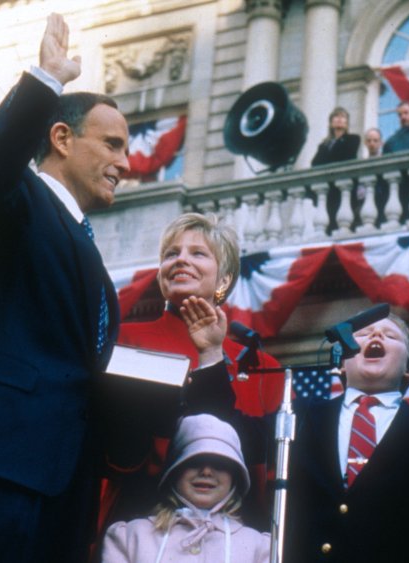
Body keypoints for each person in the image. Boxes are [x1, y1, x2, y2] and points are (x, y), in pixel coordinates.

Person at [0, 13, 128, 562]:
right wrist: (45, 81)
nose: (124, 163)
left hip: (65, 489)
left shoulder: (90, 255)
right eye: (110, 144)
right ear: (60, 137)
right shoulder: (15, 202)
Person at [181, 306, 409, 562]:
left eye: (390, 335)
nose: (376, 336)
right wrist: (211, 352)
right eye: (362, 335)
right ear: (340, 364)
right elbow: (228, 433)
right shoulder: (302, 415)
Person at [100, 212, 283, 531]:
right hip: (139, 520)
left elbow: (268, 472)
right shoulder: (123, 340)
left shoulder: (263, 367)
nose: (181, 260)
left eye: (197, 253)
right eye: (172, 254)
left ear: (224, 280)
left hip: (235, 527)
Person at [102, 414, 271, 563]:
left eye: (219, 464)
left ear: (234, 477)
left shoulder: (260, 548)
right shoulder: (130, 537)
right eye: (194, 461)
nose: (206, 472)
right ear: (174, 471)